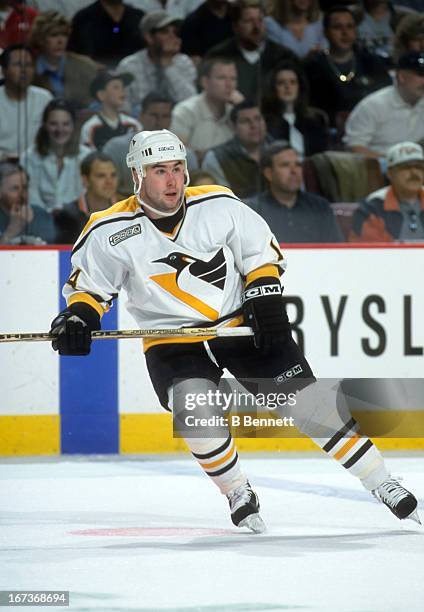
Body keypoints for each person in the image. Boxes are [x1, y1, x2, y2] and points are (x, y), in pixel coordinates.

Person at [49, 128, 419, 531]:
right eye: (159, 171)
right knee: (195, 410)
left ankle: (382, 481)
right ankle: (237, 490)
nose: (172, 180)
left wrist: (264, 295)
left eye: (177, 168)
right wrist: (78, 319)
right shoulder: (108, 230)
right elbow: (90, 290)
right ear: (137, 175)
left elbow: (260, 252)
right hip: (173, 341)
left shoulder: (218, 203)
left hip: (239, 326)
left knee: (308, 403)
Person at [304, 6, 391, 126]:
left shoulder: (371, 62)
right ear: (325, 32)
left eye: (350, 26)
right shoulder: (313, 67)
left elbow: (387, 97)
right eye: (337, 27)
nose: (345, 33)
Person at [103, 92, 198, 196]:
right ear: (141, 116)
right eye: (154, 115)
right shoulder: (116, 148)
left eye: (165, 116)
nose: (159, 121)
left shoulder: (185, 154)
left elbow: (190, 192)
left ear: (171, 119)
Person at [247, 140, 343, 243]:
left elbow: (336, 250)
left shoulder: (320, 207)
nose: (294, 171)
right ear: (269, 173)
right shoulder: (253, 211)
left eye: (298, 165)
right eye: (285, 165)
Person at [206, 0, 297, 102]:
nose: (257, 27)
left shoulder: (284, 57)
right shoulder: (218, 56)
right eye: (249, 21)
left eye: (260, 20)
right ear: (235, 27)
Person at [344, 51, 424, 158]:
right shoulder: (373, 105)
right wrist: (390, 162)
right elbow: (353, 147)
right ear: (401, 77)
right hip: (375, 169)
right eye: (421, 75)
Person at [117, 10, 197, 114]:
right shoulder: (129, 66)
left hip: (179, 124)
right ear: (149, 37)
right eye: (165, 32)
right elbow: (122, 108)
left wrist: (168, 65)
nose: (172, 37)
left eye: (175, 32)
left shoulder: (184, 62)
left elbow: (191, 103)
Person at [20, 99, 91, 211]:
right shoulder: (29, 157)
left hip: (77, 219)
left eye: (65, 124)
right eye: (53, 124)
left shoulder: (86, 156)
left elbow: (87, 194)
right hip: (41, 219)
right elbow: (32, 197)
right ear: (44, 125)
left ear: (73, 126)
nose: (60, 130)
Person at [350, 141, 424, 242]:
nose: (414, 172)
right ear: (390, 173)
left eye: (419, 167)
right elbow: (370, 251)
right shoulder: (372, 207)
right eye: (405, 167)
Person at [170, 56, 238, 161]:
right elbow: (176, 153)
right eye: (222, 78)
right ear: (205, 82)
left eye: (233, 79)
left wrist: (242, 108)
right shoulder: (185, 111)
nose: (229, 85)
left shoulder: (236, 112)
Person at [29, 10, 100, 109]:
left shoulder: (85, 66)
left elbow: (95, 103)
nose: (60, 41)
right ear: (40, 39)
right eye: (54, 35)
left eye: (64, 35)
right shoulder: (30, 69)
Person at [201, 100, 271, 199]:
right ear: (233, 127)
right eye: (245, 121)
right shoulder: (217, 157)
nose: (254, 126)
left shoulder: (280, 152)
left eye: (258, 119)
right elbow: (220, 200)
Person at [261, 59, 329, 156]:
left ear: (299, 87)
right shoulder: (264, 122)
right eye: (281, 83)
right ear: (273, 88)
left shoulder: (315, 121)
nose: (287, 86)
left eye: (293, 82)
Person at [0, 44, 53, 160]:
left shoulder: (44, 98)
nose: (24, 70)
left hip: (37, 163)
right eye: (18, 65)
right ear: (3, 71)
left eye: (29, 65)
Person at [54, 152, 120, 243]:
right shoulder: (67, 216)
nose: (109, 181)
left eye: (113, 175)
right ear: (85, 180)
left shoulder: (129, 211)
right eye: (101, 176)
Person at [67, 0, 145, 67]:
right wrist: (88, 64)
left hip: (137, 75)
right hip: (95, 77)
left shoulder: (138, 17)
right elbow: (70, 52)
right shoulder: (84, 19)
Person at [80, 70, 141, 150]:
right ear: (101, 95)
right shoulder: (90, 127)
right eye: (116, 87)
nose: (122, 91)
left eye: (123, 87)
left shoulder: (133, 125)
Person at [0, 161, 55, 244]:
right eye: (15, 188)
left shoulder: (41, 215)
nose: (22, 195)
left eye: (25, 187)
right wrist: (12, 230)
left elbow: (53, 251)